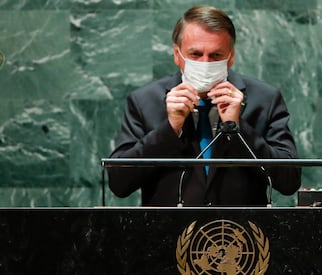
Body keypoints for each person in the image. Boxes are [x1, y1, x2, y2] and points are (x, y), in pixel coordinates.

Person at [108, 5, 301, 207]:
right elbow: (119, 183)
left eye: (216, 55)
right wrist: (170, 129)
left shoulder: (264, 99)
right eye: (195, 54)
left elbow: (289, 182)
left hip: (242, 233)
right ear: (177, 54)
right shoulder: (144, 101)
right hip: (167, 233)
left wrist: (238, 127)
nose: (205, 63)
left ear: (231, 57)